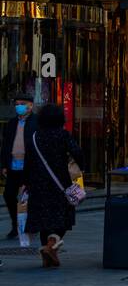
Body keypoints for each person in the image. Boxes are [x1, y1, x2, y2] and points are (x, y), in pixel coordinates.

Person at [24, 103, 86, 267]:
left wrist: (26, 182)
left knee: (44, 221)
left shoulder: (35, 136)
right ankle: (52, 245)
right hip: (60, 183)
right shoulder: (63, 135)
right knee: (64, 219)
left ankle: (47, 256)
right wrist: (81, 166)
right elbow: (77, 152)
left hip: (38, 185)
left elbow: (28, 161)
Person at [2, 92, 35, 239]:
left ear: (30, 106)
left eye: (22, 104)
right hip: (13, 166)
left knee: (27, 197)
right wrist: (4, 165)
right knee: (8, 195)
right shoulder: (11, 123)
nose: (19, 107)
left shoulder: (36, 122)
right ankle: (15, 225)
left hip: (29, 167)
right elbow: (5, 145)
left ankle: (30, 225)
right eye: (16, 105)